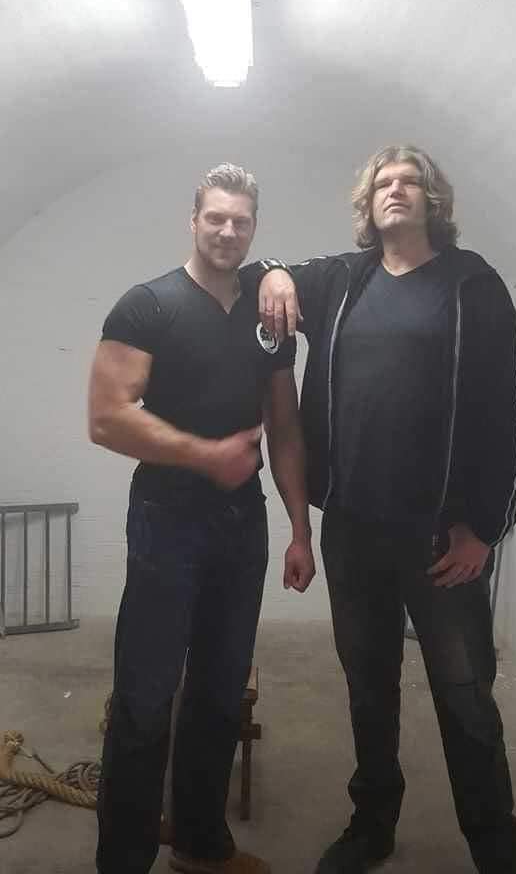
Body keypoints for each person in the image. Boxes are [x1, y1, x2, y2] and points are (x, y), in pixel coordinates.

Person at [250, 145, 516, 874]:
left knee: (465, 700)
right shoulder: (344, 280)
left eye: (411, 181)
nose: (396, 190)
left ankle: (495, 847)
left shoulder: (472, 285)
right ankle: (371, 825)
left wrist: (487, 530)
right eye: (384, 182)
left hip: (441, 539)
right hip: (353, 530)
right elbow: (263, 274)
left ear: (432, 200)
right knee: (367, 690)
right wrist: (276, 271)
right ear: (368, 201)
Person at [88, 163, 315, 874]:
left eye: (241, 221)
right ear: (193, 221)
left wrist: (300, 530)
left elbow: (285, 427)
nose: (227, 230)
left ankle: (198, 842)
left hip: (242, 524)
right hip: (167, 518)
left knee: (219, 693)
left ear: (254, 229)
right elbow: (106, 417)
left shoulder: (268, 316)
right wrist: (205, 455)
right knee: (145, 697)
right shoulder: (147, 306)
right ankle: (122, 861)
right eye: (215, 217)